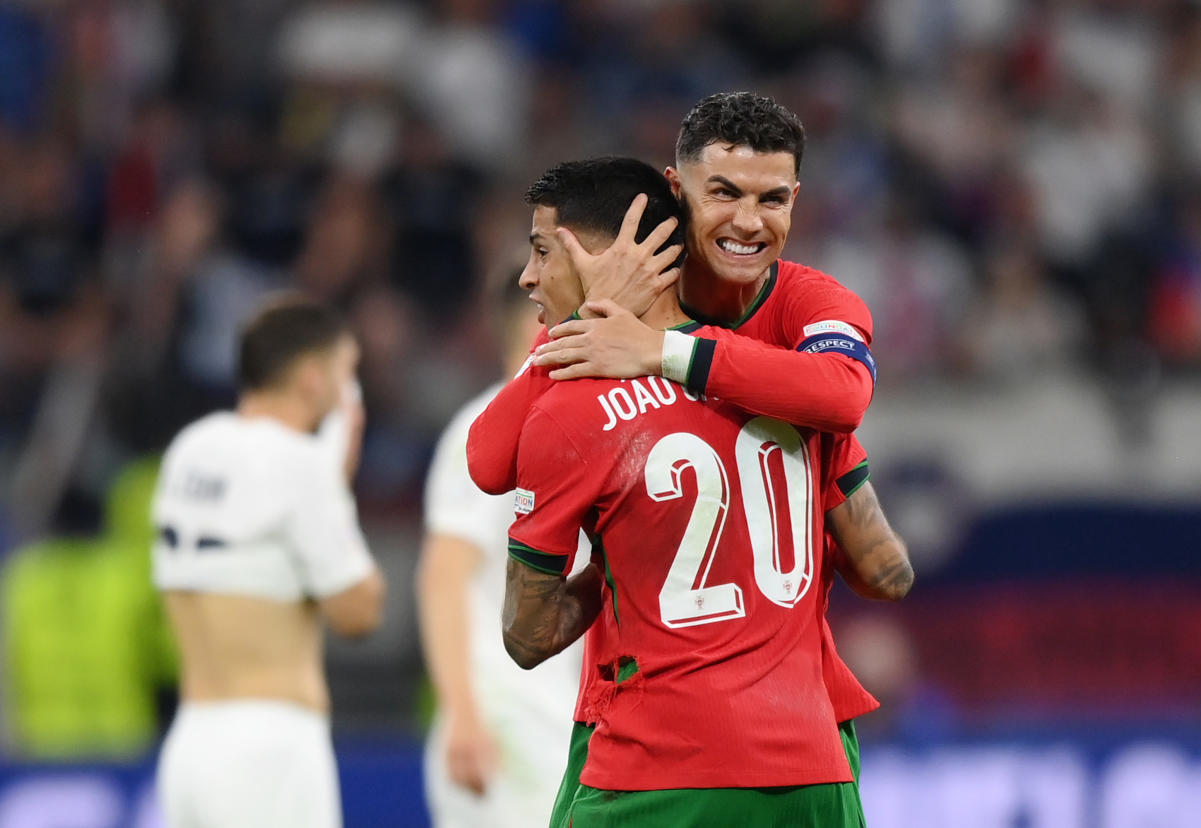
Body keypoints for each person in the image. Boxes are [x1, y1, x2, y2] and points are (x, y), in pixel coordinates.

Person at [468, 92, 911, 819]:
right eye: (725, 193)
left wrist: (658, 351)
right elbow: (883, 563)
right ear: (674, 194)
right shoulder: (778, 382)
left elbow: (842, 398)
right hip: (778, 742)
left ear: (797, 201)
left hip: (663, 745)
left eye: (772, 199)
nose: (747, 221)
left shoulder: (804, 311)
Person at [151, 295, 386, 828]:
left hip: (191, 743)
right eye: (347, 372)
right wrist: (335, 485)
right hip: (268, 750)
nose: (352, 393)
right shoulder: (300, 466)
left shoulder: (191, 448)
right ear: (311, 377)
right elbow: (358, 614)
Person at [418, 275, 589, 828]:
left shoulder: (581, 422)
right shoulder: (481, 428)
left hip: (557, 715)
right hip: (500, 718)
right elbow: (442, 577)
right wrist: (462, 714)